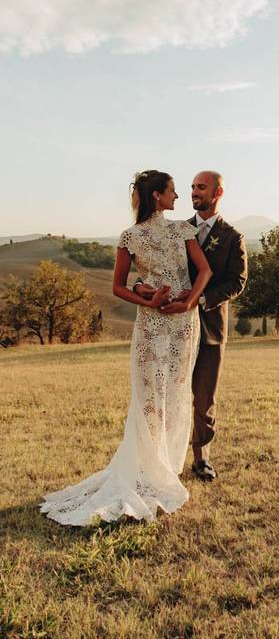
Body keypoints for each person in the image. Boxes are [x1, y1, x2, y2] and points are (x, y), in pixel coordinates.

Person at [41, 170, 211, 526]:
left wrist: (188, 302)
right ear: (156, 197)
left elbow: (205, 272)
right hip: (151, 325)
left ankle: (165, 469)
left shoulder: (183, 230)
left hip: (183, 325)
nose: (177, 198)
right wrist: (148, 300)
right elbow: (118, 287)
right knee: (149, 398)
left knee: (176, 394)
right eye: (172, 192)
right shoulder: (130, 237)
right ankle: (145, 471)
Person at [147, 170, 247, 482]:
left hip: (211, 331)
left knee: (204, 398)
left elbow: (237, 282)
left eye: (201, 187)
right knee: (170, 394)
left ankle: (201, 457)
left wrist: (201, 301)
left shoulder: (233, 237)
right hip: (174, 326)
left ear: (218, 193)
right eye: (191, 187)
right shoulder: (178, 230)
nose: (194, 192)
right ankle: (165, 457)